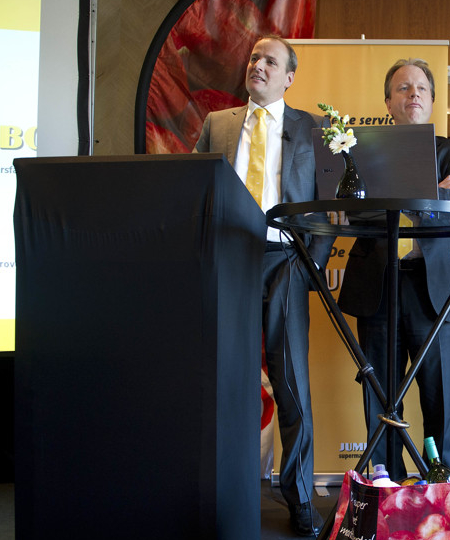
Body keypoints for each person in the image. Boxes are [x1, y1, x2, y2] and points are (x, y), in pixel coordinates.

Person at [194, 34, 333, 537]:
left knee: (291, 382)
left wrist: (309, 264)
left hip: (284, 261)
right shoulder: (218, 125)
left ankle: (298, 498)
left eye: (270, 61)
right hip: (228, 263)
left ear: (289, 77)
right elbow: (194, 193)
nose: (259, 66)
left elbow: (325, 206)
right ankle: (221, 494)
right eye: (254, 58)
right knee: (223, 383)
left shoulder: (311, 128)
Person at [337, 59, 450, 479]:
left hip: (437, 292)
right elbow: (357, 216)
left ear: (433, 102)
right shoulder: (362, 153)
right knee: (380, 401)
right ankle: (385, 488)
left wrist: (393, 200)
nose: (413, 94)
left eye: (421, 89)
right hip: (379, 287)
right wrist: (431, 193)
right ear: (387, 101)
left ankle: (441, 493)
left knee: (440, 400)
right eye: (403, 88)